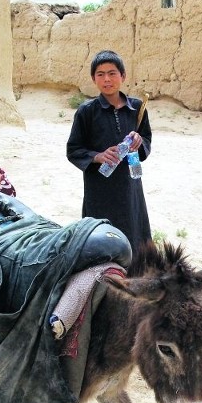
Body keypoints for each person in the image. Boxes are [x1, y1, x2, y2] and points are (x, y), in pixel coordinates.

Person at [66, 49, 152, 255]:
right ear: (93, 79)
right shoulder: (87, 112)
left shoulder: (137, 108)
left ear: (123, 76)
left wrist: (140, 142)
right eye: (100, 74)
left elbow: (146, 138)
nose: (107, 79)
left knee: (133, 230)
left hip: (130, 184)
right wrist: (98, 156)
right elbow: (74, 149)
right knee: (101, 235)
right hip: (100, 188)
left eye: (112, 73)